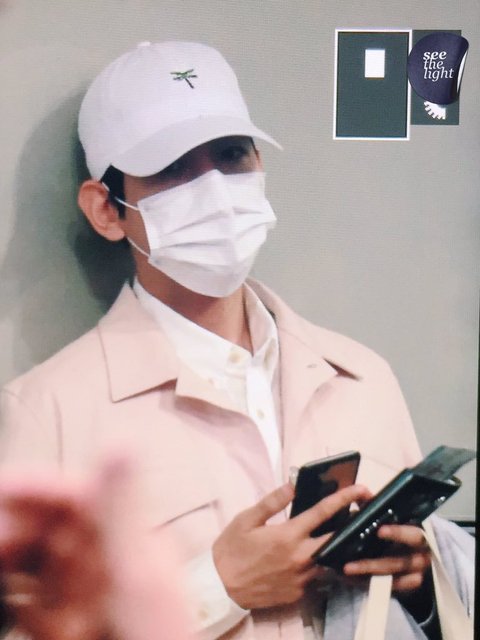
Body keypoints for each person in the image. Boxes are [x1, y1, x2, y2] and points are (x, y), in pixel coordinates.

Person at [0, 41, 473, 640]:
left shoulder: (361, 378)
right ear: (106, 211)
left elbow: (430, 608)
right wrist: (215, 590)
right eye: (172, 167)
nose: (215, 191)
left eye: (231, 155)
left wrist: (419, 583)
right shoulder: (49, 413)